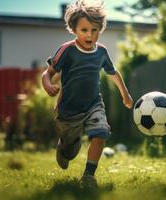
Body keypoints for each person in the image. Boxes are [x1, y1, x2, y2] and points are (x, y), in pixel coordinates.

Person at [41, 0, 133, 187]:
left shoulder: (101, 52)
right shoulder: (67, 50)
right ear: (74, 29)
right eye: (84, 30)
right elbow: (48, 73)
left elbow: (113, 73)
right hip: (68, 110)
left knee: (101, 133)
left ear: (101, 29)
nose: (90, 35)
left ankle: (89, 175)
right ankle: (64, 148)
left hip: (93, 104)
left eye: (95, 30)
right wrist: (47, 85)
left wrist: (125, 94)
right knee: (70, 151)